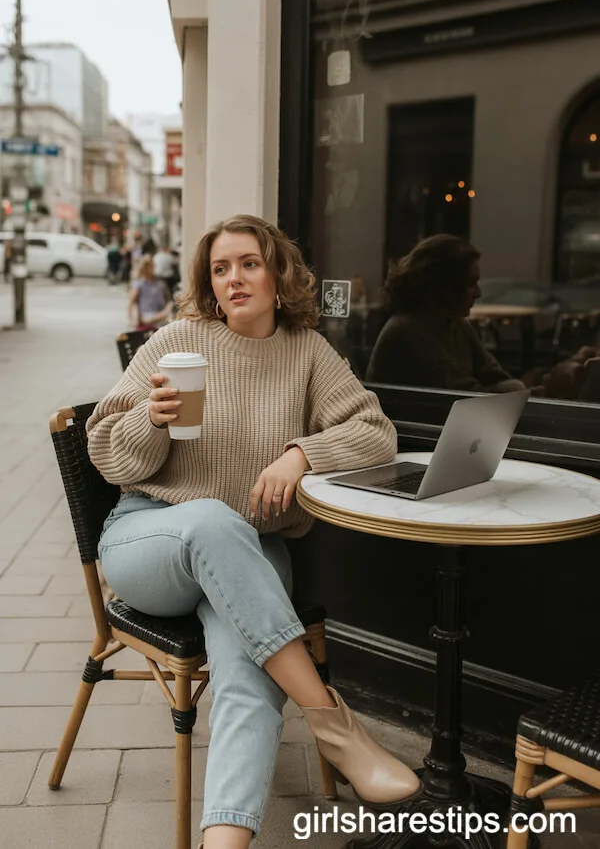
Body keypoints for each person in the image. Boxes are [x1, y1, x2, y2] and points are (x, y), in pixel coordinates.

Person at [87, 214, 420, 849]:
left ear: (277, 274)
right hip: (148, 540)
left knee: (245, 673)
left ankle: (224, 842)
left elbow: (377, 432)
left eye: (248, 263)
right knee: (212, 518)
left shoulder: (308, 351)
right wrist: (151, 422)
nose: (233, 279)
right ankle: (335, 726)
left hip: (250, 550)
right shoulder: (177, 342)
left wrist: (302, 454)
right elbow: (105, 449)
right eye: (220, 268)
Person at [366, 234, 526, 392]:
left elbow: (494, 376)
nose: (478, 293)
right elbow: (464, 396)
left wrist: (538, 391)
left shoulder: (456, 325)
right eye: (470, 284)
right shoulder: (407, 331)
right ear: (443, 285)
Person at [128, 255, 173, 331]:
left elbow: (169, 301)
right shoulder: (139, 284)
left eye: (153, 266)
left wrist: (168, 309)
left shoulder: (160, 284)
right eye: (151, 266)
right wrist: (130, 318)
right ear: (145, 268)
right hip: (146, 316)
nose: (153, 268)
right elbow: (131, 302)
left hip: (160, 314)